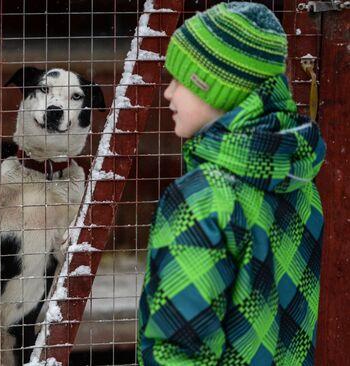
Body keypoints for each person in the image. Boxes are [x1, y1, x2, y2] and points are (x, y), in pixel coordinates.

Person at [138, 2, 326, 365]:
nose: (169, 93)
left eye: (181, 80)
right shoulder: (299, 183)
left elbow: (177, 350)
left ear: (219, 89)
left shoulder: (202, 198)